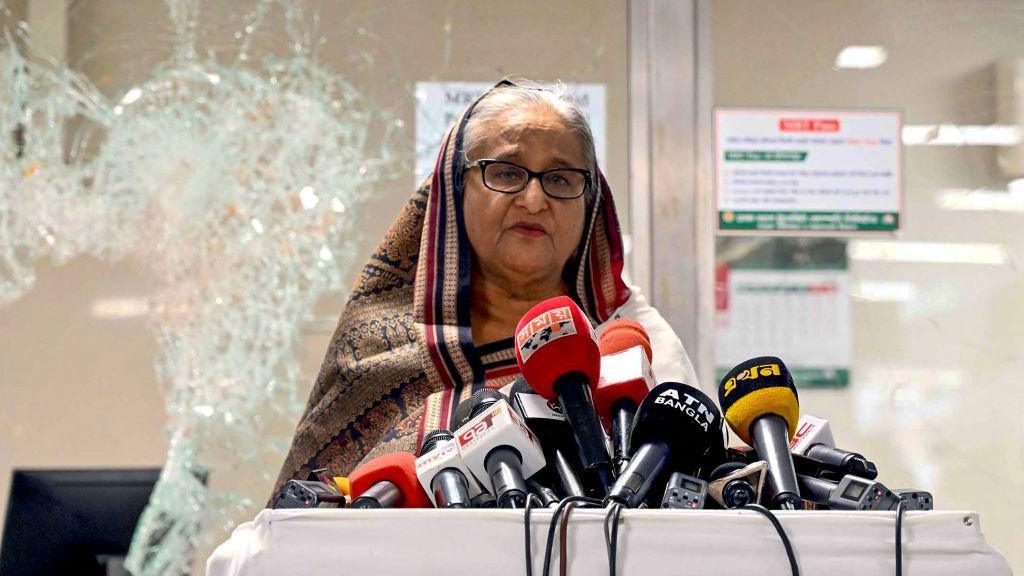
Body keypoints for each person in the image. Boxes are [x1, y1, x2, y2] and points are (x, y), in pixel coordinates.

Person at [271, 80, 697, 495]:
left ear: (591, 202)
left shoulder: (635, 345)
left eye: (561, 179)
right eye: (507, 173)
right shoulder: (376, 346)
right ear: (458, 189)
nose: (534, 200)